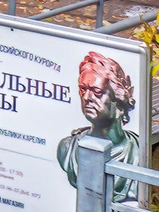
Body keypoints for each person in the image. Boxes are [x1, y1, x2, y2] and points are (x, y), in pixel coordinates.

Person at [57, 51, 144, 191]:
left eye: (97, 92)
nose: (87, 98)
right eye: (83, 89)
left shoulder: (139, 150)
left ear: (118, 101)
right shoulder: (67, 148)